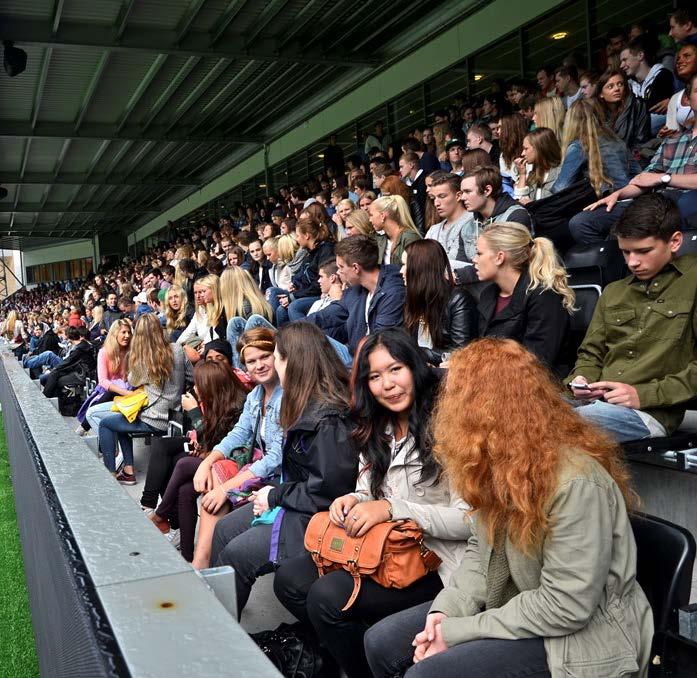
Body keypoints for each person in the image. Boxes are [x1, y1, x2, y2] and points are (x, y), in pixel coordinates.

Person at [364, 337, 652, 678]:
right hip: (517, 603)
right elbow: (479, 551)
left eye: (457, 399)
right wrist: (446, 612)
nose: (447, 409)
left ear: (486, 410)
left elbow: (566, 606)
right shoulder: (498, 466)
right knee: (380, 642)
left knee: (430, 674)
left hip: (580, 639)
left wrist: (458, 632)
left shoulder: (576, 481)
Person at [273, 329, 470, 678]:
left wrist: (393, 510)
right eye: (375, 376)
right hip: (384, 549)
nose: (387, 384)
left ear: (415, 367)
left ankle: (365, 665)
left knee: (327, 596)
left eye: (395, 369)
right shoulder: (378, 427)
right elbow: (367, 490)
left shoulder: (450, 426)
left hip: (435, 560)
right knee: (290, 579)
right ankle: (346, 655)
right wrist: (352, 499)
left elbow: (468, 520)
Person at [209, 323, 357, 615]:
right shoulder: (303, 402)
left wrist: (274, 496)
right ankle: (217, 613)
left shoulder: (327, 418)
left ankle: (219, 634)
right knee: (224, 528)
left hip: (316, 518)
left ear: (295, 361)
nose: (271, 365)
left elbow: (327, 492)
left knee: (237, 555)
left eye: (275, 357)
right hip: (294, 502)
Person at [569, 193, 697, 442]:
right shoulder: (614, 292)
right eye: (625, 253)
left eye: (643, 251)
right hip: (597, 406)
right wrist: (582, 379)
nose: (633, 262)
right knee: (509, 414)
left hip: (650, 413)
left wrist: (643, 394)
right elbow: (591, 355)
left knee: (543, 426)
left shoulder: (693, 281)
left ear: (675, 241)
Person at [146, 359, 249, 562]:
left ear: (211, 386)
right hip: (217, 461)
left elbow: (229, 446)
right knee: (184, 490)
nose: (194, 388)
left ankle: (159, 515)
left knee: (183, 464)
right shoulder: (216, 402)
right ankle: (188, 556)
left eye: (198, 384)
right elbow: (207, 440)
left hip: (237, 467)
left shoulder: (238, 407)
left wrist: (194, 412)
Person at [575, 72, 697, 243]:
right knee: (581, 222)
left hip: (685, 202)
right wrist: (618, 194)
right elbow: (645, 179)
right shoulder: (673, 140)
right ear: (687, 99)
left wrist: (664, 178)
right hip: (655, 201)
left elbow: (657, 178)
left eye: (620, 85)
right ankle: (621, 264)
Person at [99, 314, 193, 484]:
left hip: (154, 419)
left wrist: (134, 355)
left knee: (105, 424)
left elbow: (132, 380)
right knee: (122, 421)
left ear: (139, 336)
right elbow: (191, 378)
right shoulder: (178, 350)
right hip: (176, 418)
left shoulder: (143, 360)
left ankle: (109, 475)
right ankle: (128, 472)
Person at [474, 222, 574, 370]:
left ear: (499, 257)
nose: (474, 259)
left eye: (479, 253)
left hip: (536, 386)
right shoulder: (488, 294)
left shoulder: (544, 296)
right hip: (493, 379)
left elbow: (537, 361)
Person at [310, 235, 406, 355]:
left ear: (356, 267)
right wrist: (298, 326)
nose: (338, 272)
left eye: (341, 267)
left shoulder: (392, 292)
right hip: (357, 354)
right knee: (309, 341)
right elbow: (331, 313)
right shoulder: (357, 289)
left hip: (375, 359)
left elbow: (382, 342)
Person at [401, 240, 477, 364]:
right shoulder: (413, 298)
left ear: (421, 269)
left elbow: (461, 353)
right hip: (421, 371)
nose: (401, 271)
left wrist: (416, 353)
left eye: (405, 265)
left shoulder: (458, 300)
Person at [551, 99, 639, 200]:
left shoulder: (578, 146)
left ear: (570, 122)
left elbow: (560, 188)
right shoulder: (616, 140)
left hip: (607, 203)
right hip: (631, 197)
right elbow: (637, 172)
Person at [273, 216, 335, 325]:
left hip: (319, 294)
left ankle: (305, 340)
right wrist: (294, 285)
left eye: (297, 235)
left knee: (294, 307)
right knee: (275, 297)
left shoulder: (326, 250)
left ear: (306, 236)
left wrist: (293, 296)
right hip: (304, 291)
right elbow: (300, 275)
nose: (296, 239)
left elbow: (318, 285)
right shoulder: (309, 252)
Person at [82, 319, 133, 435]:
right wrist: (124, 392)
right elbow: (103, 381)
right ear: (115, 334)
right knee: (109, 394)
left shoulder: (131, 352)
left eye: (129, 332)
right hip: (107, 391)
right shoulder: (104, 352)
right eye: (123, 332)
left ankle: (83, 428)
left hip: (128, 391)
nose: (127, 336)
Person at [620, 35, 675, 133]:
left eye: (625, 60)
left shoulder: (663, 75)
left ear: (640, 56)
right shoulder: (628, 86)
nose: (621, 65)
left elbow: (659, 114)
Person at [425, 172, 478, 274]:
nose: (436, 203)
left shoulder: (474, 224)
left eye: (442, 196)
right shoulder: (433, 230)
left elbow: (474, 266)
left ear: (458, 196)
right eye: (434, 198)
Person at [460, 166, 532, 231]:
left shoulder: (515, 217)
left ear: (487, 190)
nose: (462, 197)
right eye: (462, 192)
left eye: (468, 191)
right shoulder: (467, 227)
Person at [596, 69, 651, 152]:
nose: (617, 89)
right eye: (610, 86)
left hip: (633, 158)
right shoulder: (598, 113)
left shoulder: (637, 105)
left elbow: (641, 140)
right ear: (601, 94)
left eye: (620, 84)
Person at [176, 274, 227, 363]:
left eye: (202, 291)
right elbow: (189, 331)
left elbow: (215, 335)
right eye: (195, 293)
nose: (199, 295)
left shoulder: (217, 309)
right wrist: (176, 347)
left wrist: (206, 346)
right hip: (204, 348)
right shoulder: (199, 310)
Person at [513, 127, 562, 203]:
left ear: (540, 149)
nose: (522, 153)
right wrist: (522, 174)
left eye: (526, 149)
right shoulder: (533, 173)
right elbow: (519, 201)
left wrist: (533, 205)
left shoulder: (560, 174)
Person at [369, 195, 421, 265]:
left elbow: (416, 269)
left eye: (371, 215)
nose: (370, 220)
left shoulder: (409, 237)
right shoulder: (382, 239)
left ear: (382, 216)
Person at [664, 44, 697, 134]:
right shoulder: (675, 98)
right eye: (678, 59)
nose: (679, 61)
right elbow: (673, 129)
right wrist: (666, 134)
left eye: (686, 56)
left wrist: (693, 121)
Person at [498, 113, 529, 196]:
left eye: (501, 127)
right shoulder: (503, 155)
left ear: (510, 129)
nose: (498, 131)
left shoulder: (529, 152)